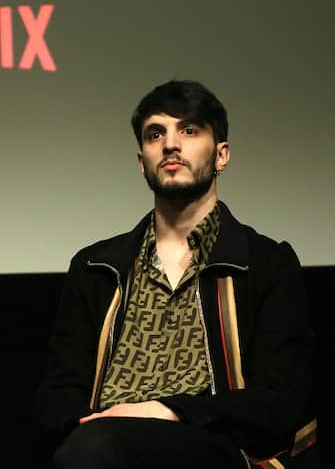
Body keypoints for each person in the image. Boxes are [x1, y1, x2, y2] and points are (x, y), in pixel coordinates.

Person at [35, 79, 317, 469]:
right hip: (101, 444)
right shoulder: (96, 267)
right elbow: (57, 394)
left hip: (214, 446)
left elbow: (282, 400)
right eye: (156, 134)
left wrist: (170, 410)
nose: (170, 143)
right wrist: (90, 422)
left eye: (189, 129)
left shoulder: (265, 262)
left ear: (221, 155)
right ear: (141, 161)